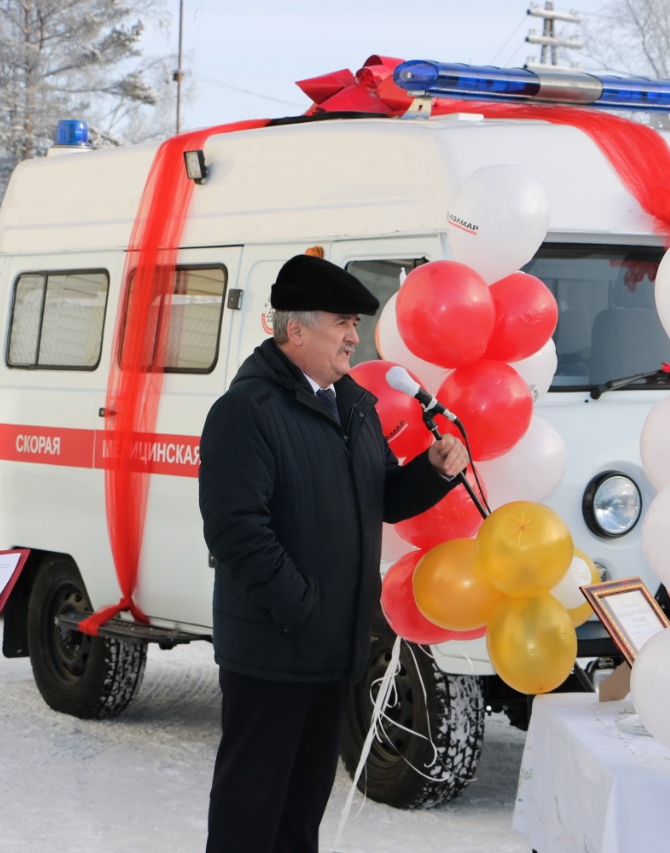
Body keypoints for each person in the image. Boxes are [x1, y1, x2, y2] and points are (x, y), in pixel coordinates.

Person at [198, 254, 469, 852]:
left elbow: (381, 498)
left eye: (355, 323)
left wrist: (430, 471)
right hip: (276, 650)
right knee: (252, 813)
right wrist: (306, 609)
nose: (355, 336)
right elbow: (237, 533)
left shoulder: (354, 405)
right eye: (343, 322)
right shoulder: (246, 412)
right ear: (296, 330)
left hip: (329, 648)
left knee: (300, 815)